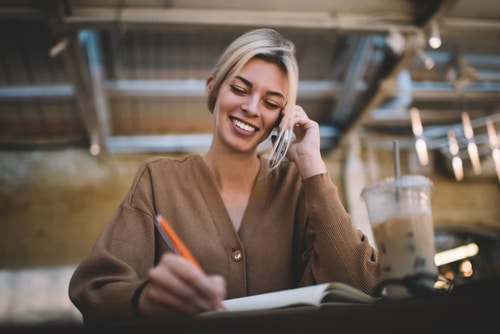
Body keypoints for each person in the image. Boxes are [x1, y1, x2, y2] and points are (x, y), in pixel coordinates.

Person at [68, 28, 380, 325]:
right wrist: (144, 298)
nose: (251, 108)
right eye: (239, 89)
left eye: (271, 103)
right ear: (213, 87)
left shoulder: (299, 187)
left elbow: (361, 285)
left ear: (282, 118)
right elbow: (95, 290)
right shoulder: (158, 181)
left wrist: (312, 164)